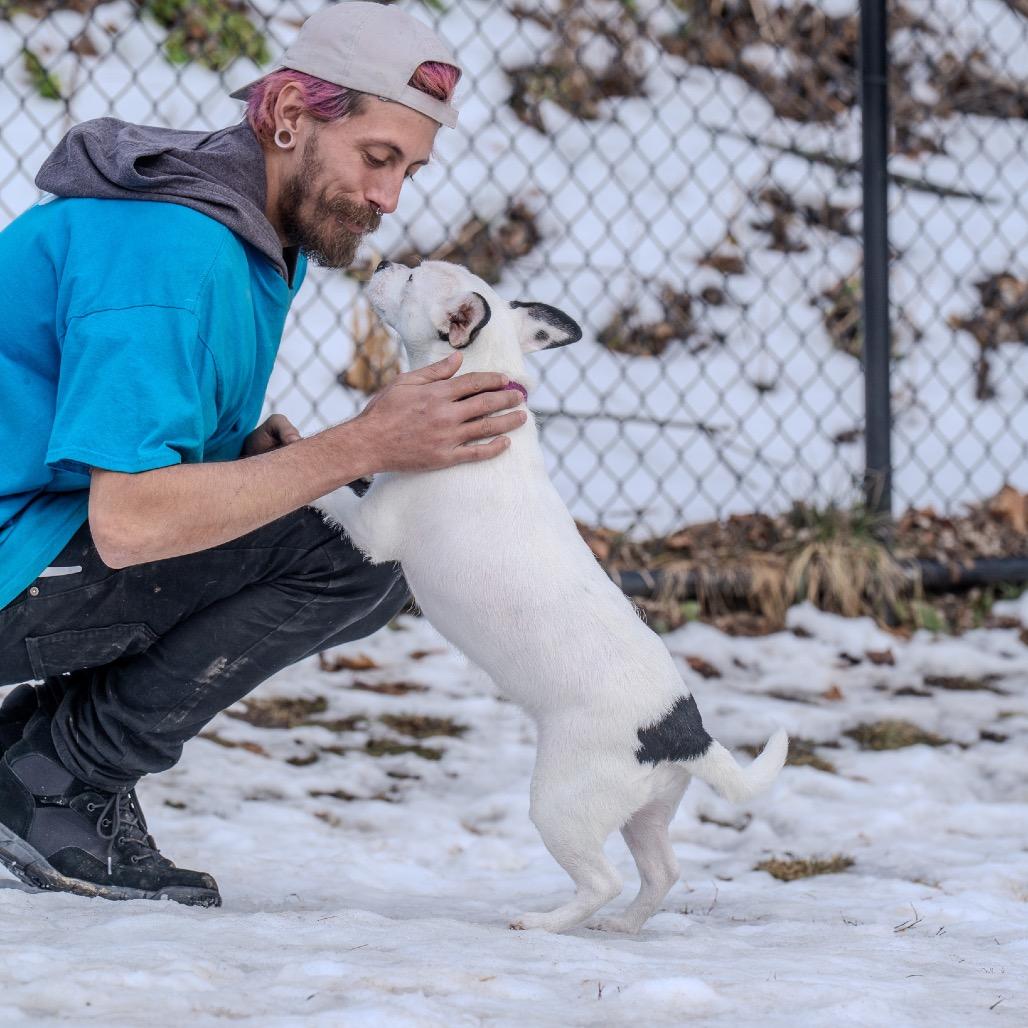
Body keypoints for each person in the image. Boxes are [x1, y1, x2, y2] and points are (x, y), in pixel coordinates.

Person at [0, 1, 526, 907]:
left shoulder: (248, 233)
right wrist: (357, 442)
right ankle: (51, 777)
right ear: (287, 116)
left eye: (410, 168)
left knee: (345, 518)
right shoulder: (176, 245)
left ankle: (40, 758)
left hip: (29, 534)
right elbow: (131, 523)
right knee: (357, 546)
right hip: (26, 548)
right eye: (377, 157)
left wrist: (253, 453)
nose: (390, 197)